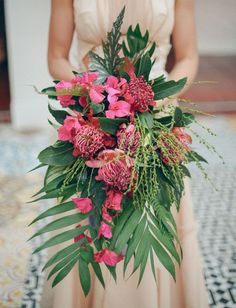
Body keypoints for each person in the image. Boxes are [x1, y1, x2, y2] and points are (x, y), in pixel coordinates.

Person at [43, 1, 209, 307]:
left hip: (154, 118)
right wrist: (97, 98)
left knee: (153, 225)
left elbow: (188, 57)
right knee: (90, 224)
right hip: (93, 116)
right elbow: (56, 56)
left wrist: (160, 97)